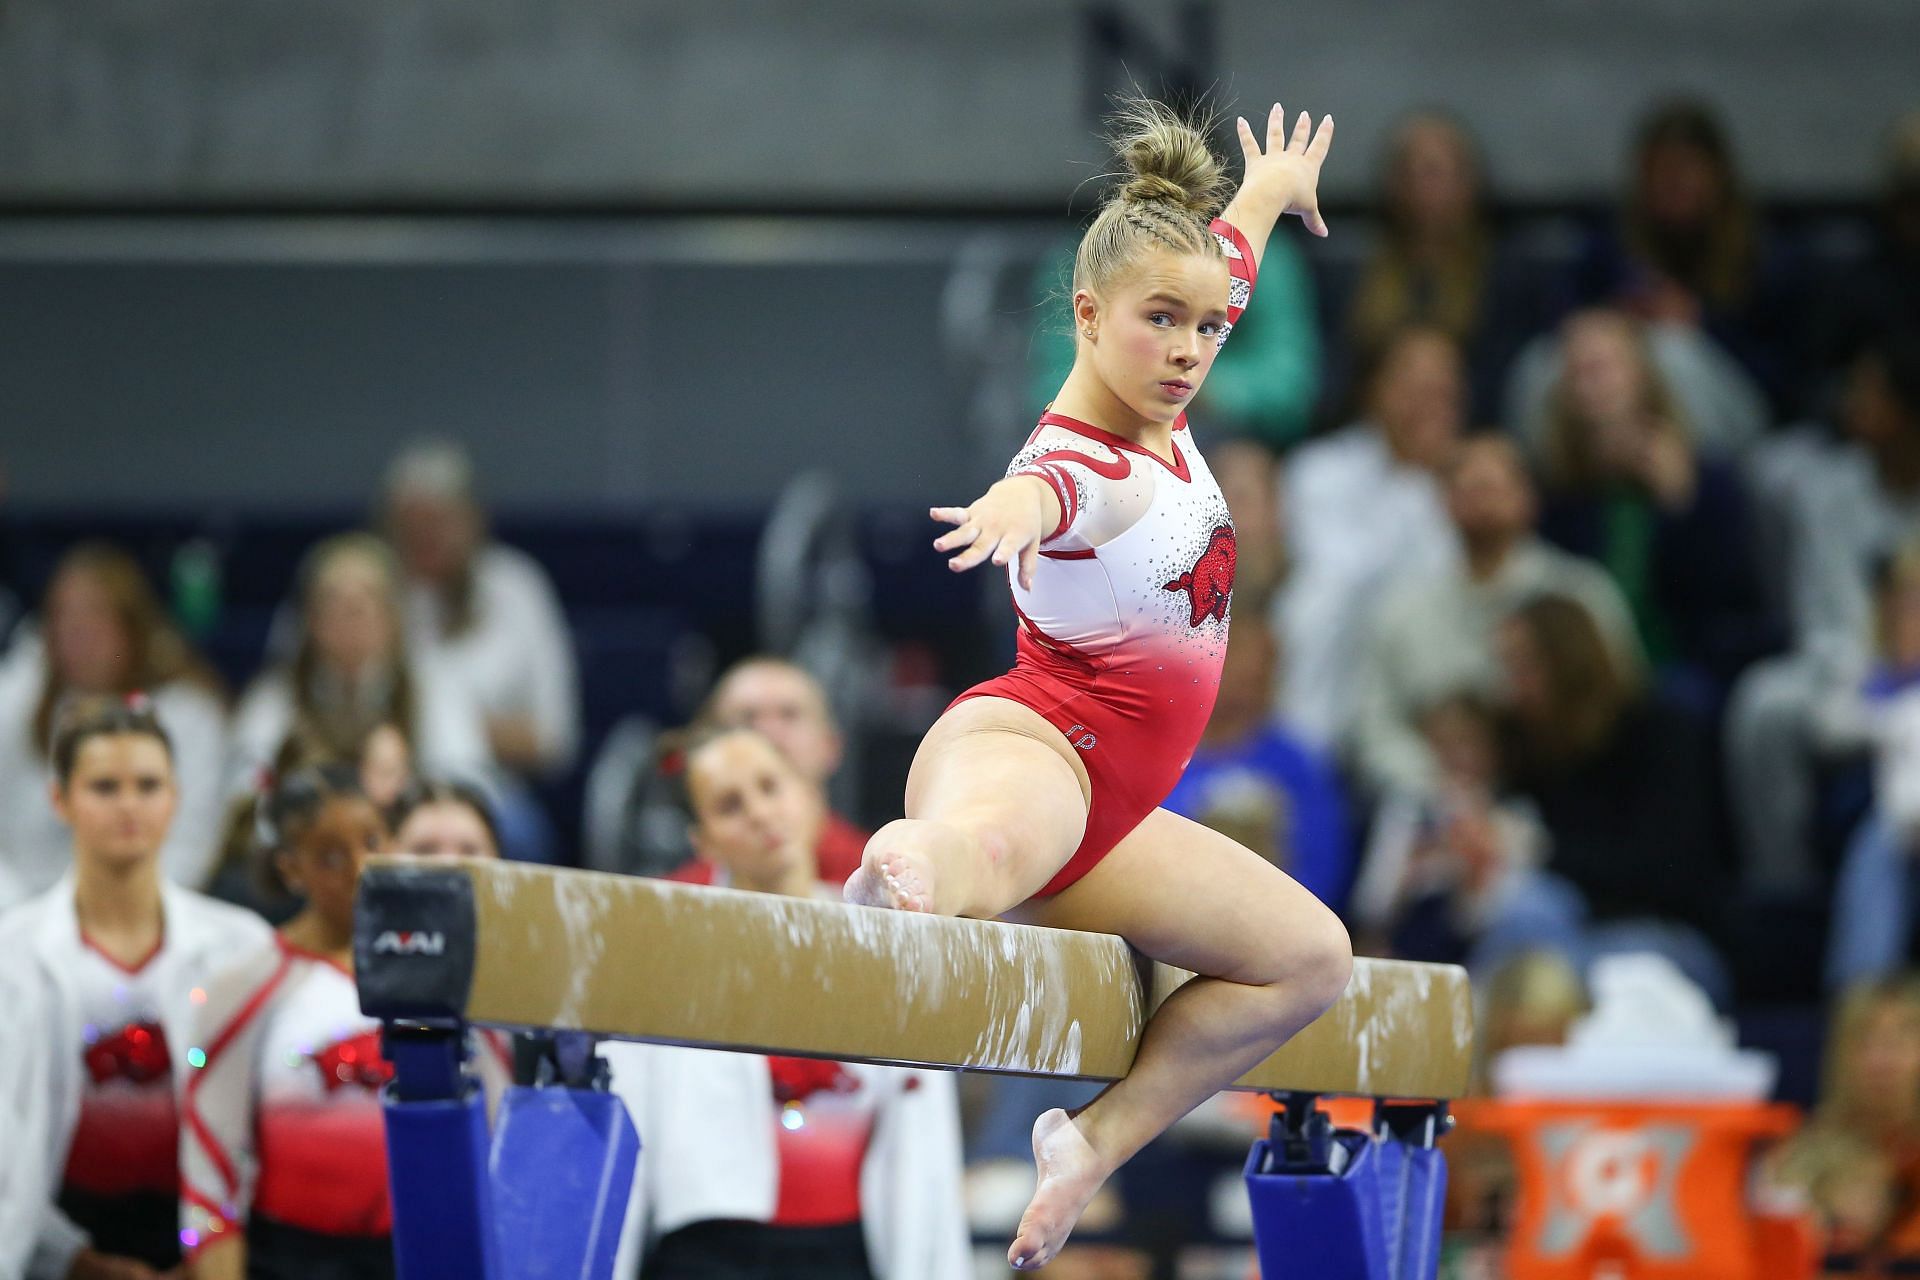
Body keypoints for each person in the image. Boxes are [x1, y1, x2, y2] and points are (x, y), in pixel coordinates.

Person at [840, 98, 1352, 1271]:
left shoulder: (1180, 339)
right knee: (992, 844)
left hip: (1116, 809)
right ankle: (908, 874)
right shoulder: (1084, 453)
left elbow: (1222, 256)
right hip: (1032, 744)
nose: (1186, 349)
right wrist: (1005, 511)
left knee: (1310, 958)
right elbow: (1052, 493)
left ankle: (1091, 1144)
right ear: (1085, 314)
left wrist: (1267, 189)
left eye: (1208, 329)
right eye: (1159, 323)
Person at [605, 725, 969, 1280]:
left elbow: (923, 1133)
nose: (758, 813)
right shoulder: (664, 945)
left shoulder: (887, 939)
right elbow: (622, 1127)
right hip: (709, 1249)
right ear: (702, 840)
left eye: (770, 787)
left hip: (846, 1247)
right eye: (729, 805)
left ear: (806, 795)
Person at [0, 697, 270, 1280]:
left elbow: (265, 1124)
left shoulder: (241, 948)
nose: (128, 805)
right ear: (60, 799)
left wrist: (212, 1252)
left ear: (175, 799)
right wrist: (70, 1259)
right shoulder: (12, 954)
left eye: (147, 786)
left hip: (205, 1246)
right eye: (104, 786)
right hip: (52, 1240)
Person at [181, 766, 399, 1279]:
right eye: (330, 856)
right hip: (291, 1261)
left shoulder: (440, 980)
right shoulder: (246, 987)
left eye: (372, 841)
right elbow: (210, 1175)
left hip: (415, 1255)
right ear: (291, 869)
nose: (360, 867)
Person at [1725, 329, 1920, 898]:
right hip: (1855, 672)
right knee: (1762, 706)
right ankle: (1783, 885)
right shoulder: (1829, 490)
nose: (1850, 402)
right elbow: (1826, 625)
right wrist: (1877, 690)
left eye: (1870, 392)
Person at [1349, 434, 1640, 798]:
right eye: (1465, 486)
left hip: (1577, 794)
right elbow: (1375, 727)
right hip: (1435, 805)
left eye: (1492, 485)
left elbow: (1621, 708)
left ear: (1528, 497)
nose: (1481, 499)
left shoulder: (1582, 593)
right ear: (1442, 503)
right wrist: (1440, 786)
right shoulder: (1403, 610)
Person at [1530, 309, 1774, 684]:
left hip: (1687, 667)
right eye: (1576, 373)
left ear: (1642, 376)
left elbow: (1729, 601)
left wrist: (1683, 509)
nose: (1588, 386)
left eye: (1602, 369)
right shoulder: (1556, 494)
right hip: (1591, 680)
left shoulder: (1707, 479)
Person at [0, 543, 228, 897]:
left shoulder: (186, 712)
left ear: (132, 626)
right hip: (25, 911)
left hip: (147, 909)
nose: (77, 634)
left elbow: (192, 846)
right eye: (63, 617)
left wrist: (119, 914)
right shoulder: (21, 701)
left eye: (94, 617)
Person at [1275, 323, 1466, 745]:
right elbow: (1343, 574)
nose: (1426, 406)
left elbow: (1451, 584)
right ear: (1374, 388)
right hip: (1336, 674)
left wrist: (1439, 481)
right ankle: (1306, 754)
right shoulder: (1320, 469)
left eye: (1441, 392)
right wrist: (1417, 482)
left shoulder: (1464, 485)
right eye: (1412, 387)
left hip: (1423, 680)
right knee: (1318, 602)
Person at [1573, 98, 1804, 415]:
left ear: (1717, 174)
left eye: (1685, 170)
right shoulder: (1613, 243)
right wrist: (1622, 320)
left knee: (1673, 352)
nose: (1672, 184)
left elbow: (1787, 378)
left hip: (1738, 414)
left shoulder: (1765, 255)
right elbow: (1569, 317)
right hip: (1625, 405)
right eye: (1660, 171)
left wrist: (1701, 324)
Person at [229, 533, 492, 804]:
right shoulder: (273, 700)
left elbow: (467, 785)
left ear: (393, 616)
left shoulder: (434, 689)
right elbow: (245, 794)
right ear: (310, 620)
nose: (351, 614)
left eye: (366, 599)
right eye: (333, 601)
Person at [381, 440, 581, 780]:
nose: (425, 536)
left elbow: (555, 738)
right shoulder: (359, 587)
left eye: (439, 522)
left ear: (473, 520)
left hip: (492, 790)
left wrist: (448, 723)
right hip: (376, 786)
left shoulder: (517, 588)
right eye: (412, 524)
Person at [1338, 110, 1549, 423]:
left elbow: (1509, 380)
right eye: (1411, 173)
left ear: (1470, 182)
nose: (1425, 187)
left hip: (1476, 433)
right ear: (1392, 185)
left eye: (1437, 172)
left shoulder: (1509, 278)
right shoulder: (1356, 274)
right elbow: (1341, 381)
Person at [1160, 613, 1351, 911]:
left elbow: (1322, 873)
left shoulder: (1299, 767)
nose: (1252, 680)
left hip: (1268, 919)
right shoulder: (1160, 751)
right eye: (1239, 669)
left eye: (1263, 674)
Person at [670, 655, 871, 886]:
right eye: (748, 717)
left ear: (831, 744)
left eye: (789, 714)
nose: (769, 732)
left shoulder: (878, 876)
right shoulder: (679, 895)